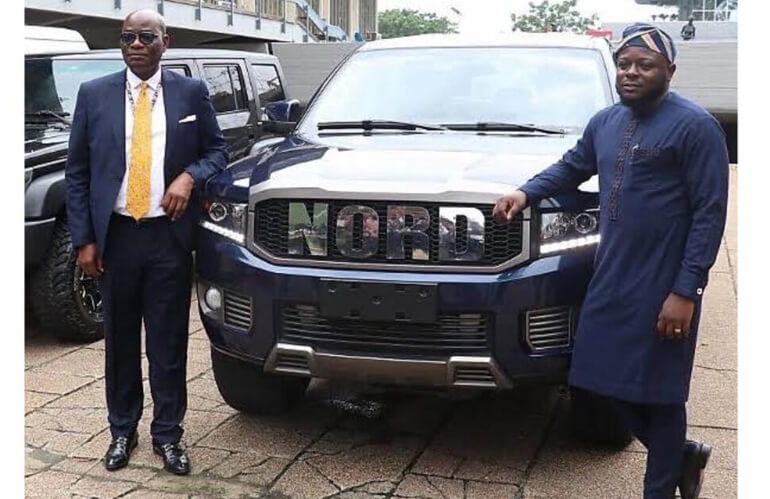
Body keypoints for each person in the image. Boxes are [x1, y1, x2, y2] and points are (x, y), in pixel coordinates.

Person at [493, 23, 727, 499]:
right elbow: (571, 166)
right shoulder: (605, 122)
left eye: (645, 65)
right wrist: (525, 191)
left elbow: (710, 213)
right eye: (625, 65)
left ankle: (661, 486)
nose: (632, 73)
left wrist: (686, 291)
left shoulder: (696, 126)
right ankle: (680, 453)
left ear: (670, 71)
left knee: (660, 391)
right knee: (594, 378)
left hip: (664, 281)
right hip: (612, 273)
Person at [65, 10, 228, 475]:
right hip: (115, 237)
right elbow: (76, 172)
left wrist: (188, 178)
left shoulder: (190, 92)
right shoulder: (94, 94)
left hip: (167, 239)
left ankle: (168, 436)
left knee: (168, 341)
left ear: (165, 41)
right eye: (128, 37)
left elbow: (217, 151)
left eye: (146, 37)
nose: (136, 44)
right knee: (118, 341)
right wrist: (85, 240)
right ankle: (122, 430)